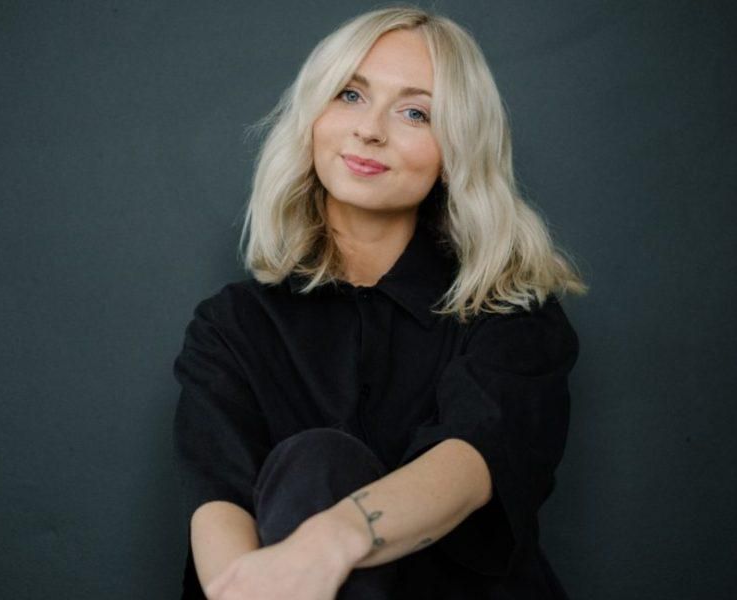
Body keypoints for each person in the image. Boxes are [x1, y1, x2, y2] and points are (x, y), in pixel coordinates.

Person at [171, 5, 587, 599]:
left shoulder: (511, 313)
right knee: (316, 463)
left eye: (415, 112)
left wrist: (332, 541)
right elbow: (218, 499)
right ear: (312, 116)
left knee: (320, 464)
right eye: (350, 95)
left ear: (456, 151)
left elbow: (472, 462)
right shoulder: (232, 326)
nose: (370, 130)